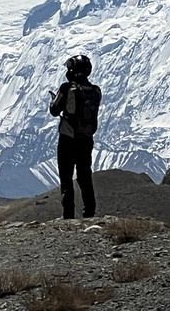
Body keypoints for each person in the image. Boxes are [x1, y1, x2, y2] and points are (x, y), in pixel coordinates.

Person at [49, 54, 102, 220]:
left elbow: (54, 110)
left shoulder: (66, 88)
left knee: (66, 177)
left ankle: (68, 216)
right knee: (85, 175)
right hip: (86, 139)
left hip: (67, 139)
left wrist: (54, 100)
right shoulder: (95, 91)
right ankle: (89, 212)